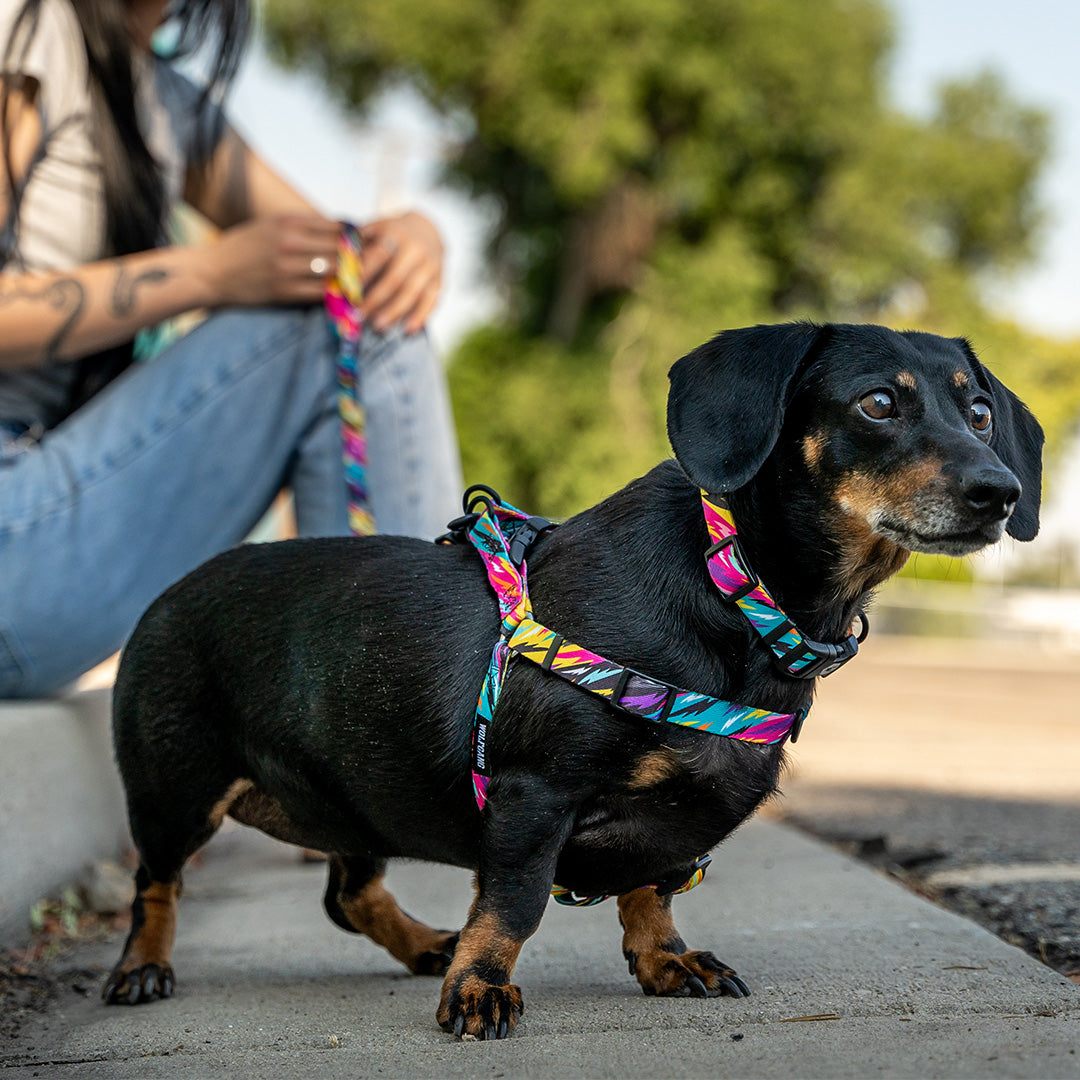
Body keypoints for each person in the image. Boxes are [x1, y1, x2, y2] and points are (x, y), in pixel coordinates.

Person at [0, 0, 463, 698]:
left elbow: (347, 265)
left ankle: (408, 704)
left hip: (49, 537)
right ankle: (410, 709)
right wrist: (208, 273)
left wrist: (415, 237)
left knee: (368, 312)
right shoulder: (30, 31)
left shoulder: (167, 104)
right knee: (344, 330)